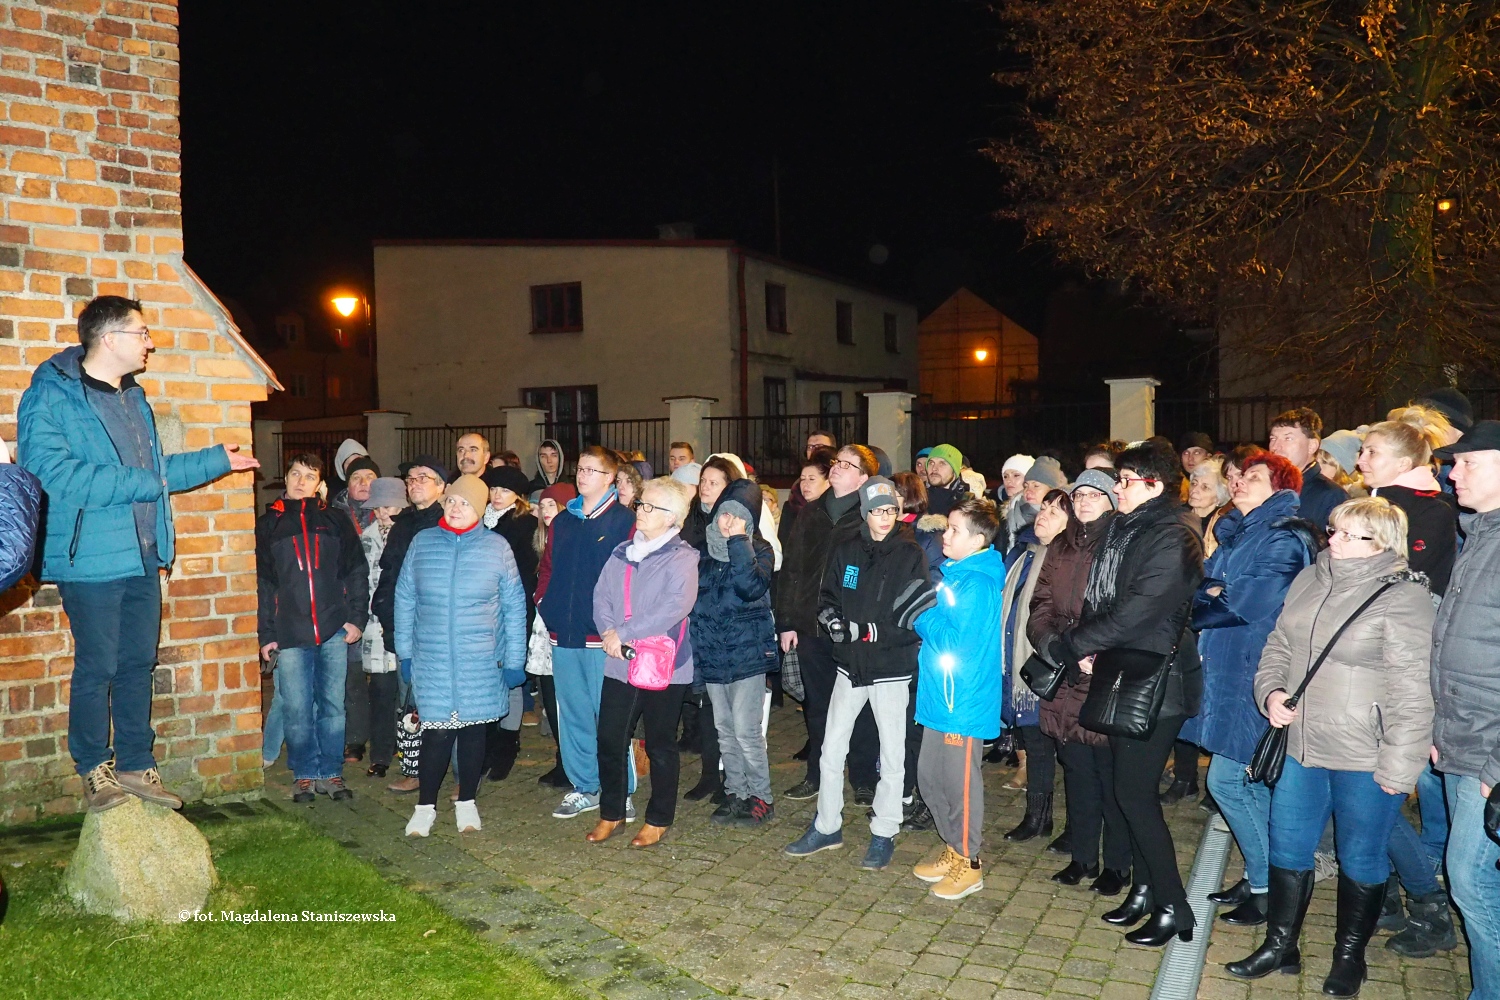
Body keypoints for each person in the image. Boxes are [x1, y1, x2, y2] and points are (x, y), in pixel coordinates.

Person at [17, 295, 257, 811]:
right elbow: (53, 475)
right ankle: (93, 768)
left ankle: (133, 764)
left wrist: (219, 460)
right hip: (92, 559)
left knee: (136, 664)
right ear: (110, 339)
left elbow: (159, 474)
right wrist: (146, 482)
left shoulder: (134, 398)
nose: (151, 342)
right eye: (142, 333)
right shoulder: (51, 396)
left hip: (143, 556)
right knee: (98, 665)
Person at [1231, 497, 1434, 998]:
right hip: (1301, 742)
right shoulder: (1311, 577)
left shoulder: (1403, 596)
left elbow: (1414, 690)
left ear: (1382, 543)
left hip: (1365, 750)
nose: (1334, 541)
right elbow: (1279, 644)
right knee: (1288, 844)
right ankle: (1281, 946)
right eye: (1334, 531)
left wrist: (1400, 765)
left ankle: (1350, 957)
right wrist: (1271, 693)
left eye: (1350, 535)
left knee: (1360, 855)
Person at [1040, 440, 1204, 947]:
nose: (1117, 489)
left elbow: (1138, 611)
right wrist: (1087, 646)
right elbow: (1099, 596)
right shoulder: (1129, 529)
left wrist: (1073, 645)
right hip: (1122, 669)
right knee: (1125, 791)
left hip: (1158, 682)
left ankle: (1175, 907)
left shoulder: (1173, 537)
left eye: (1126, 481)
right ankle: (1145, 891)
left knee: (1134, 793)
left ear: (1153, 485)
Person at [1181, 452, 1316, 927]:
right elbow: (1202, 587)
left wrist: (1213, 594)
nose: (1238, 483)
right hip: (1228, 667)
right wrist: (1211, 593)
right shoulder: (1241, 532)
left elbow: (1242, 603)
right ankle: (1261, 875)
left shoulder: (1284, 535)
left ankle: (1267, 887)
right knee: (1245, 782)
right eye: (1238, 476)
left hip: (1256, 673)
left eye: (1252, 477)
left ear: (1280, 487)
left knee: (1227, 781)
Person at [786, 476, 936, 871]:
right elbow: (829, 595)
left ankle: (885, 830)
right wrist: (832, 619)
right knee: (831, 748)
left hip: (890, 667)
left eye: (890, 510)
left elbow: (912, 614)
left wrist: (864, 631)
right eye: (877, 511)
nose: (884, 518)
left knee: (892, 755)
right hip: (848, 666)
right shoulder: (847, 548)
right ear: (865, 513)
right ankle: (827, 825)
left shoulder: (910, 554)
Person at [396, 474, 527, 837]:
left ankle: (467, 801)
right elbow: (405, 598)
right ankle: (425, 807)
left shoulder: (497, 547)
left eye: (465, 503)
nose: (456, 508)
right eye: (452, 500)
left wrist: (515, 660)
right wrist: (405, 652)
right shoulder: (422, 543)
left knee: (472, 734)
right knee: (436, 735)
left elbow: (515, 607)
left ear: (480, 510)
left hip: (480, 658)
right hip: (433, 657)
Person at [585, 478, 699, 846]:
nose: (642, 512)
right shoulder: (621, 552)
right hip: (620, 660)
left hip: (664, 665)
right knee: (609, 737)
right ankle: (612, 812)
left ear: (673, 519)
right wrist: (608, 633)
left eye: (652, 507)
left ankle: (659, 817)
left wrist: (625, 633)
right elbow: (601, 594)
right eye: (641, 505)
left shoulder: (682, 558)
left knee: (661, 743)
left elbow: (675, 606)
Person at [1029, 472, 1129, 893]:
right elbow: (1042, 604)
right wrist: (1056, 646)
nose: (1086, 501)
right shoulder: (1060, 545)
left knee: (1110, 774)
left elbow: (1128, 609)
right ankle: (1083, 857)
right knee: (1076, 769)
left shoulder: (1123, 543)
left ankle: (1118, 865)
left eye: (1095, 494)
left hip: (1104, 669)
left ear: (1111, 499)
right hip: (1066, 665)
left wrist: (1097, 652)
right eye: (1080, 494)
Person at [1428, 421, 1500, 1000]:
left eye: (1468, 463)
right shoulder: (1479, 534)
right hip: (1463, 738)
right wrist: (1440, 728)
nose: (1454, 473)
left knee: (1472, 882)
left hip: (1490, 754)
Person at [256, 453, 368, 803]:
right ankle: (304, 773)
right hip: (290, 632)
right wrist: (267, 633)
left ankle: (331, 772)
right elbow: (262, 583)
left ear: (320, 483)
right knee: (297, 707)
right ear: (286, 478)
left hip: (334, 628)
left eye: (309, 476)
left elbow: (356, 571)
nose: (300, 481)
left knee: (333, 706)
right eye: (294, 474)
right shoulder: (269, 524)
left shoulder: (335, 520)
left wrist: (356, 618)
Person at [909, 496, 1006, 900]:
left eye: (953, 530)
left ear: (978, 540)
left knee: (960, 785)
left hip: (961, 702)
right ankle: (953, 848)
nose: (944, 535)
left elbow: (957, 642)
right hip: (942, 698)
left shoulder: (978, 584)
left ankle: (970, 861)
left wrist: (920, 614)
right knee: (931, 778)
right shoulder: (957, 575)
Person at [535, 445, 637, 819]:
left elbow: (632, 576)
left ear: (610, 478)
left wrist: (621, 626)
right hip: (565, 633)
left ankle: (619, 790)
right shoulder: (562, 521)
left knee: (610, 718)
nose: (582, 475)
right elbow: (547, 568)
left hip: (604, 639)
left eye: (592, 470)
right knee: (574, 713)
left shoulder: (624, 521)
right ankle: (586, 787)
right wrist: (546, 604)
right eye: (580, 469)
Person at [776, 445, 881, 803]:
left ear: (863, 477)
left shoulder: (870, 514)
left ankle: (864, 776)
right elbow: (791, 568)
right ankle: (817, 774)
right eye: (836, 462)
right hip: (810, 626)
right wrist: (787, 621)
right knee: (818, 706)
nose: (836, 468)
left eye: (846, 465)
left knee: (861, 706)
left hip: (851, 629)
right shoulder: (811, 512)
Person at [690, 478, 778, 828]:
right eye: (724, 514)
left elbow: (750, 586)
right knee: (724, 729)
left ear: (750, 522)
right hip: (714, 655)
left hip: (747, 655)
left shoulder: (760, 550)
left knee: (746, 730)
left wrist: (740, 541)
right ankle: (736, 792)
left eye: (737, 517)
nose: (728, 522)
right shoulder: (704, 556)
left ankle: (762, 797)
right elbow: (696, 610)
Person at [371, 455, 449, 793]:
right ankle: (413, 769)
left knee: (444, 703)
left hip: (436, 627)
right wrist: (386, 614)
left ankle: (457, 773)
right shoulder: (402, 524)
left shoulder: (448, 521)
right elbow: (389, 573)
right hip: (403, 626)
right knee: (408, 704)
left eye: (424, 477)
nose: (415, 482)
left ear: (441, 486)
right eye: (411, 478)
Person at [1001, 484, 1070, 846]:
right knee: (1035, 742)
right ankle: (1038, 817)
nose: (1042, 514)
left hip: (1047, 666)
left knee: (1056, 749)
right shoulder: (1025, 552)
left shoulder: (1063, 557)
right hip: (1020, 663)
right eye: (1043, 507)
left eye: (1054, 512)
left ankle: (1057, 821)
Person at [480, 463, 541, 781]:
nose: (497, 495)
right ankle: (489, 742)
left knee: (511, 680)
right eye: (493, 489)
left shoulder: (525, 524)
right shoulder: (480, 521)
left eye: (504, 490)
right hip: (482, 613)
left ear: (517, 496)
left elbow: (526, 575)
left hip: (511, 610)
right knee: (487, 681)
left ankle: (507, 746)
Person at [1358, 419, 1458, 595]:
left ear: (1403, 463)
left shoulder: (1433, 511)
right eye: (1362, 451)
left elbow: (1407, 572)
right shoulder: (1373, 501)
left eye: (1372, 452)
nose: (1360, 461)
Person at [356, 476, 408, 778]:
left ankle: (409, 751)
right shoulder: (366, 537)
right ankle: (380, 755)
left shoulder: (411, 534)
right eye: (376, 508)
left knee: (407, 696)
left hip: (404, 625)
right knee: (380, 693)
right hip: (376, 629)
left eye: (388, 506)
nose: (382, 513)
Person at [528, 481, 578, 789]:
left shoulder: (570, 539)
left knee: (568, 703)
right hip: (543, 630)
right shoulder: (540, 541)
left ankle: (574, 764)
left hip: (563, 628)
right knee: (550, 698)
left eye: (553, 505)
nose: (547, 512)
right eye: (544, 506)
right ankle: (562, 760)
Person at [331, 455, 379, 766]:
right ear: (347, 483)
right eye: (356, 478)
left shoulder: (389, 511)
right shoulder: (334, 514)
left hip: (380, 605)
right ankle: (355, 740)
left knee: (383, 677)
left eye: (369, 477)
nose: (363, 484)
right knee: (351, 677)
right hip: (347, 603)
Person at [1269, 408, 1348, 529]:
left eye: (1288, 438)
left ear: (1312, 446)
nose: (1275, 447)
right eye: (1273, 439)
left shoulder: (1331, 496)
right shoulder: (1267, 488)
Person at [924, 443, 969, 516]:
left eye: (942, 463)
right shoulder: (916, 497)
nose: (934, 468)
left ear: (954, 470)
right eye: (931, 463)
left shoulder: (967, 503)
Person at [1319, 430, 1363, 495]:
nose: (1317, 466)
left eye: (1324, 462)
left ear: (1342, 469)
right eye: (1315, 461)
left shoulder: (1355, 498)